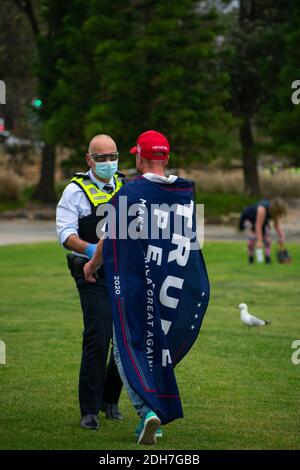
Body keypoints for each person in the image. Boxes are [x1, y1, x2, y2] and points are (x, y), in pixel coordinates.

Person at [83, 130, 210, 445]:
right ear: (166, 157)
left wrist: (92, 264)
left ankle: (147, 411)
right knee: (156, 349)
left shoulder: (129, 193)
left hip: (135, 285)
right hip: (170, 286)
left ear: (139, 156)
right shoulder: (184, 191)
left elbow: (109, 237)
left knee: (128, 348)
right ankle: (154, 408)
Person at [56, 134, 125, 430]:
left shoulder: (126, 187)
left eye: (113, 156)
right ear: (89, 160)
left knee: (125, 339)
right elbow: (65, 234)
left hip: (124, 274)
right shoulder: (74, 191)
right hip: (90, 273)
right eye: (101, 158)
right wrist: (91, 250)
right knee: (98, 335)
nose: (108, 163)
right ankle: (89, 409)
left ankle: (110, 399)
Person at [239, 197, 288, 264]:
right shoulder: (262, 209)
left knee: (267, 240)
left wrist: (282, 237)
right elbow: (258, 226)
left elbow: (276, 226)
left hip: (261, 221)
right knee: (253, 239)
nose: (279, 214)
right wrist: (259, 241)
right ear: (276, 209)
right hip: (248, 219)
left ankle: (268, 259)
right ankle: (251, 259)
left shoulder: (274, 212)